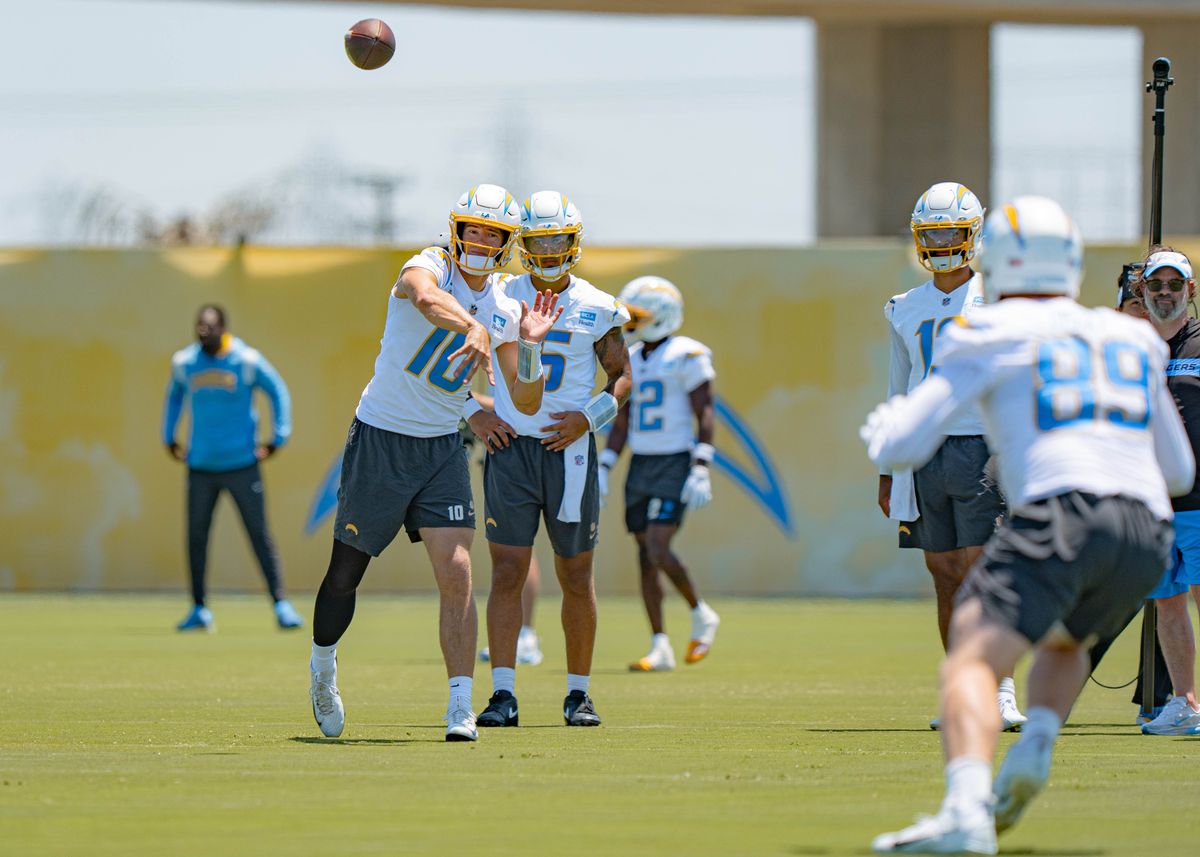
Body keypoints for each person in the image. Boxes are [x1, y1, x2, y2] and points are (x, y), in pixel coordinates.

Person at [863, 196, 1194, 853]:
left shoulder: (988, 329)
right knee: (1067, 643)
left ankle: (963, 809)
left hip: (1062, 507)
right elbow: (1177, 468)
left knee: (971, 657)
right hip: (1145, 527)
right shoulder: (1128, 335)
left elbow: (902, 442)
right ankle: (1033, 749)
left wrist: (882, 434)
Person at [307, 184, 563, 743]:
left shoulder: (505, 306)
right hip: (381, 436)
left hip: (441, 447)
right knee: (345, 574)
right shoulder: (429, 266)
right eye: (472, 228)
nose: (478, 239)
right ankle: (323, 665)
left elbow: (524, 400)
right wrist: (471, 326)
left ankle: (458, 705)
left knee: (458, 571)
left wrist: (533, 345)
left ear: (505, 244)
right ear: (455, 230)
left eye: (491, 233)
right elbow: (423, 299)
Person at [470, 190, 631, 728]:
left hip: (571, 452)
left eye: (557, 238)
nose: (547, 249)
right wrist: (478, 411)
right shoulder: (499, 295)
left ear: (574, 241)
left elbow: (623, 377)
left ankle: (578, 693)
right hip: (512, 448)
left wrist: (590, 418)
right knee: (508, 570)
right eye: (538, 240)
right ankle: (503, 694)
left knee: (576, 573)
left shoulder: (599, 304)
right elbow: (442, 360)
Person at [881, 180, 1023, 731]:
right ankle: (965, 688)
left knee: (982, 569)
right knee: (943, 573)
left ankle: (1002, 690)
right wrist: (889, 466)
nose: (940, 242)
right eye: (931, 232)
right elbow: (898, 386)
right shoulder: (902, 307)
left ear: (973, 235)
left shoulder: (1000, 296)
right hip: (923, 448)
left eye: (950, 231)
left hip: (982, 444)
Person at [597, 275, 720, 671]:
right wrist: (605, 464)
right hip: (642, 463)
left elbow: (705, 412)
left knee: (657, 546)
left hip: (674, 460)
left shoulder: (688, 354)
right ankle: (660, 643)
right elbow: (624, 418)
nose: (632, 322)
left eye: (640, 315)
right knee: (645, 556)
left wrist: (701, 465)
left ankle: (701, 612)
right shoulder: (631, 354)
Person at [162, 304, 301, 632]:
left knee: (258, 534)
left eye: (209, 326)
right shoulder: (184, 363)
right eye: (198, 326)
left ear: (223, 328)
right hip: (200, 466)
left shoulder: (247, 361)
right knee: (196, 537)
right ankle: (199, 609)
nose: (202, 331)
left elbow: (278, 391)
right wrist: (168, 436)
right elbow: (173, 397)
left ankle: (281, 605)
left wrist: (279, 435)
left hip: (242, 464)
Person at [1086, 260, 1173, 723]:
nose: (1142, 311)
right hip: (1113, 493)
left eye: (1147, 302)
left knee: (1167, 600)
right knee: (1105, 605)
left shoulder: (1178, 348)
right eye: (1134, 302)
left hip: (1167, 495)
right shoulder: (1100, 353)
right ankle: (1054, 691)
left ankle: (1158, 699)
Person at [1136, 247, 1200, 736]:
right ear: (1142, 291)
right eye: (1155, 284)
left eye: (1173, 285)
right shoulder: (1128, 349)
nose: (1164, 292)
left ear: (1189, 291)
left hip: (1199, 502)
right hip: (1148, 502)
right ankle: (1184, 704)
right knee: (1168, 603)